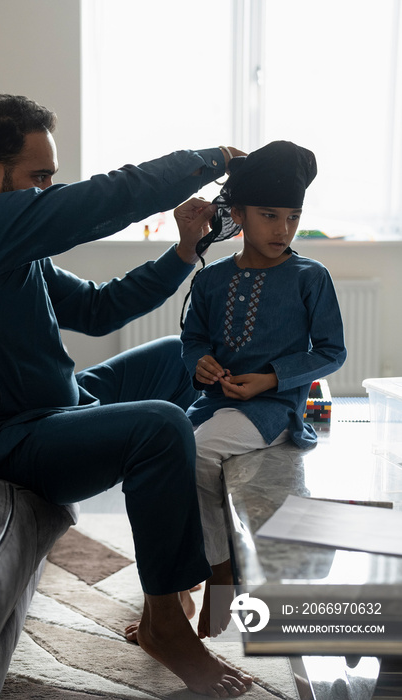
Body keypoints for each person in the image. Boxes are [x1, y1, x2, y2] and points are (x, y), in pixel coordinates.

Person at [0, 94, 252, 697]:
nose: (49, 190)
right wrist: (211, 159)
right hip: (4, 438)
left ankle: (188, 562)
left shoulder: (14, 248)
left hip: (59, 404)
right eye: (40, 178)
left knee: (192, 359)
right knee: (158, 425)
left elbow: (100, 310)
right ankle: (166, 625)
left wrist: (184, 251)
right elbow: (107, 198)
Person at [180, 141, 347, 639]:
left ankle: (221, 572)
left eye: (292, 217)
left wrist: (273, 377)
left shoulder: (310, 277)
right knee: (158, 452)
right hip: (213, 402)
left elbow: (331, 352)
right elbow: (193, 340)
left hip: (275, 408)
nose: (282, 229)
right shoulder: (212, 281)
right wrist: (201, 364)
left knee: (196, 453)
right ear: (239, 215)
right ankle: (174, 588)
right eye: (270, 215)